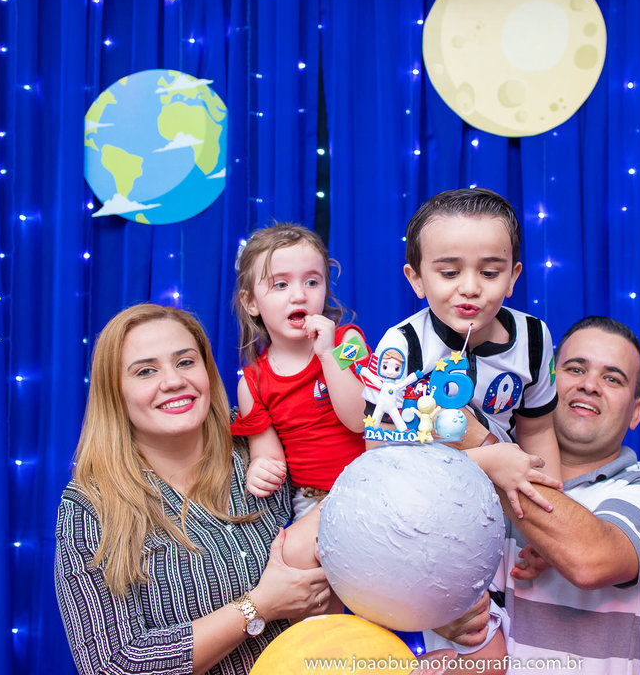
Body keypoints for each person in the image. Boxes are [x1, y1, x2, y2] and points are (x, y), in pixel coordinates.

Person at [54, 304, 331, 675]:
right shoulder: (90, 505)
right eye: (146, 371)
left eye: (185, 362)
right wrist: (259, 604)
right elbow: (113, 665)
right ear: (114, 392)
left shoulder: (260, 443)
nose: (172, 381)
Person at [428, 316, 640, 675]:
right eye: (575, 368)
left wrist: (477, 440)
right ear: (543, 385)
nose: (590, 386)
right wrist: (431, 611)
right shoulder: (461, 473)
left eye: (612, 378)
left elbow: (588, 558)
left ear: (636, 413)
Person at [361, 188, 562, 511]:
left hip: (505, 505)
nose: (469, 288)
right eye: (450, 273)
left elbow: (537, 430)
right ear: (417, 280)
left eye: (490, 273)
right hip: (419, 505)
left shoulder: (534, 338)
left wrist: (551, 512)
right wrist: (484, 460)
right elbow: (379, 448)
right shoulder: (401, 347)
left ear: (512, 277)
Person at [229, 223, 368, 520]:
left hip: (373, 484)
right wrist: (260, 470)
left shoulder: (349, 342)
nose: (299, 296)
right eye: (281, 284)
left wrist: (327, 355)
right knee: (295, 553)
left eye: (312, 282)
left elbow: (360, 420)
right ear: (250, 302)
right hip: (314, 501)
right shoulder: (252, 383)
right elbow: (268, 456)